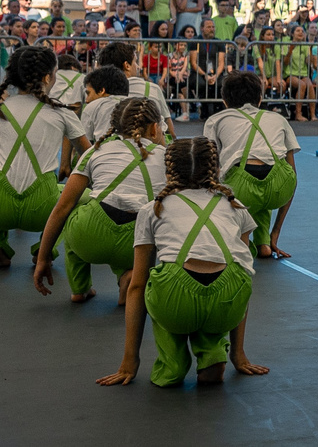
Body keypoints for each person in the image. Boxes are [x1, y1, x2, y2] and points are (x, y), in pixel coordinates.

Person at [97, 136, 267, 388]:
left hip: (175, 302)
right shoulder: (236, 207)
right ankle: (214, 353)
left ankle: (172, 363)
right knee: (231, 276)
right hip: (227, 302)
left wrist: (129, 360)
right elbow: (243, 274)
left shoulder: (153, 209)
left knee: (160, 280)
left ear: (168, 173)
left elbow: (137, 286)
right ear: (217, 170)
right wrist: (238, 354)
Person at [0, 46, 91, 266]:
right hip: (42, 210)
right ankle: (45, 247)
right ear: (48, 77)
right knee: (80, 197)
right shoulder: (62, 114)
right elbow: (90, 160)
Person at [35, 97, 166, 305]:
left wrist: (43, 258)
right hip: (139, 245)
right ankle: (130, 274)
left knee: (75, 206)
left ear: (114, 127)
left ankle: (80, 288)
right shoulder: (167, 157)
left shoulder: (95, 152)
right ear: (155, 128)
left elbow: (62, 208)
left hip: (90, 238)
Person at [204, 71, 301, 259]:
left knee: (240, 187)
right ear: (260, 98)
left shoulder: (216, 120)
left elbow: (210, 169)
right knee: (264, 185)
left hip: (241, 190)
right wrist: (277, 231)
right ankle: (265, 241)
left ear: (224, 100)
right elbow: (293, 177)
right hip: (280, 188)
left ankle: (240, 238)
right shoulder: (279, 119)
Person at [97, 42, 176, 140]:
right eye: (135, 62)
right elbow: (171, 132)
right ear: (127, 65)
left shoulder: (97, 94)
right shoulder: (152, 89)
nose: (138, 67)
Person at [81, 66, 132, 142]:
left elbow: (84, 145)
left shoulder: (92, 107)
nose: (87, 100)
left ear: (101, 90)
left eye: (88, 94)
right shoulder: (138, 105)